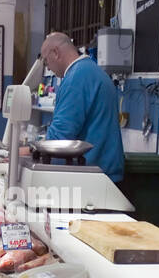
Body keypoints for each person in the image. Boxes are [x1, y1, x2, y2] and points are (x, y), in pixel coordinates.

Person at [39, 31, 125, 183]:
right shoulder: (91, 70)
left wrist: (29, 150)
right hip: (103, 172)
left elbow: (60, 136)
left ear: (56, 53)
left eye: (46, 62)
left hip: (93, 177)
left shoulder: (77, 78)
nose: (49, 68)